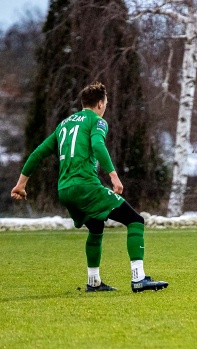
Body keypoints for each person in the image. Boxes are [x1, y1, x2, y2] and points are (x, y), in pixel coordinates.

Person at [11, 81, 169, 293]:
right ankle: (138, 278)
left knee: (96, 227)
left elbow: (38, 152)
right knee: (135, 220)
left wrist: (21, 184)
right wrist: (114, 176)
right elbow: (97, 145)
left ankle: (94, 281)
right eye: (106, 104)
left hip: (65, 190)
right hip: (85, 186)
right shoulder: (97, 121)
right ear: (101, 104)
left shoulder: (64, 124)